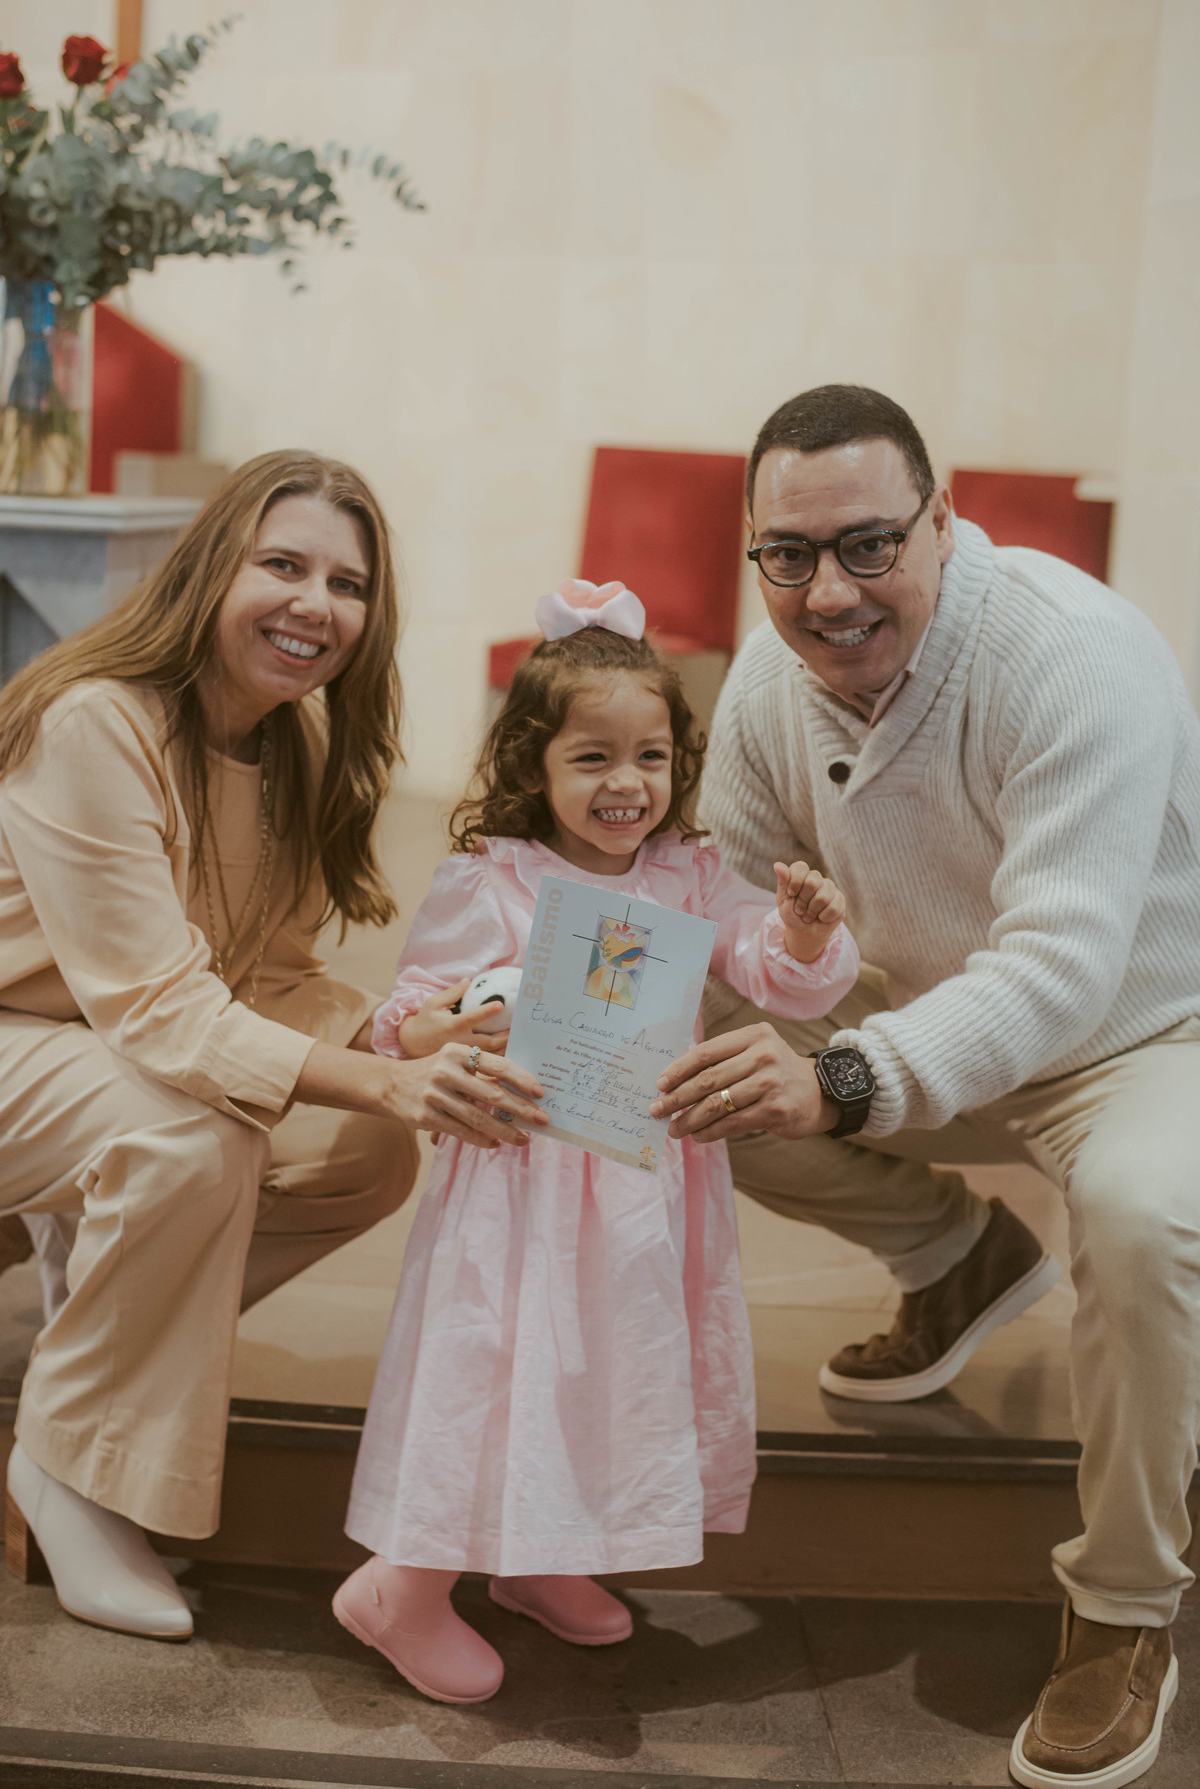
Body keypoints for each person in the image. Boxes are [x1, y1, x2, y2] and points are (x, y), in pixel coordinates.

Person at [649, 384, 1200, 1787]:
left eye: (870, 544)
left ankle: (1125, 1604)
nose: (829, 593)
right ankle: (958, 1259)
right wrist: (533, 1018)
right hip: (924, 1011)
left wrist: (842, 1074)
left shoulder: (1074, 652)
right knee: (680, 1074)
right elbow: (711, 908)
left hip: (1142, 1034)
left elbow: (1063, 965)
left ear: (945, 522)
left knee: (1141, 1219)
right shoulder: (768, 683)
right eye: (789, 555)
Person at [0, 451, 547, 1645]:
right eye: (284, 565)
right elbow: (159, 1010)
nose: (317, 604)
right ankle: (68, 1466)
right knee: (192, 1135)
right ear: (210, 569)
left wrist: (413, 1031)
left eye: (348, 584)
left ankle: (94, 1346)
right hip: (27, 1041)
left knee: (365, 1154)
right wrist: (391, 1076)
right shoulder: (93, 719)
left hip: (92, 1057)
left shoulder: (288, 746)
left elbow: (271, 974)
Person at [333, 581, 859, 1704]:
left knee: (606, 1363)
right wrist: (460, 1017)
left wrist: (804, 933)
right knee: (499, 1362)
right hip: (521, 1176)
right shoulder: (495, 879)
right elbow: (405, 1015)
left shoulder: (688, 875)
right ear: (533, 766)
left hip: (639, 1176)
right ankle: (401, 1587)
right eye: (592, 758)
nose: (628, 783)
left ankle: (542, 1553)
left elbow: (767, 967)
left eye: (651, 757)